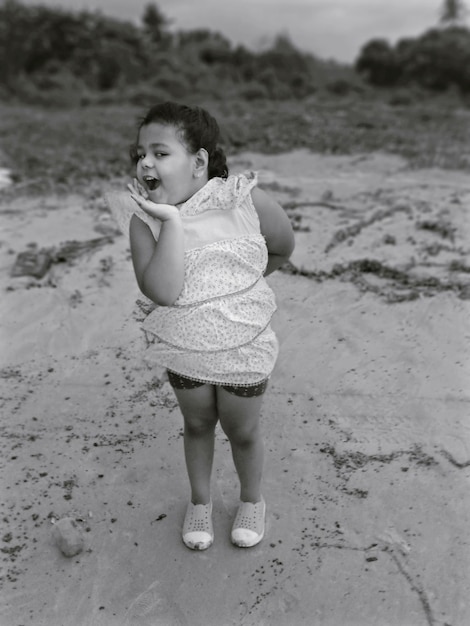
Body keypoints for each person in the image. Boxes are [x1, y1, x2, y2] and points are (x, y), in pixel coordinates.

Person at [106, 102, 295, 551]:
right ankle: (201, 501)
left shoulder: (244, 201)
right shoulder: (144, 220)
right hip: (185, 347)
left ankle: (252, 500)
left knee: (243, 431)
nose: (145, 163)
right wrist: (171, 220)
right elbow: (163, 291)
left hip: (244, 348)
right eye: (139, 154)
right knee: (196, 424)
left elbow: (283, 247)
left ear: (198, 162)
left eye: (160, 153)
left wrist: (238, 290)